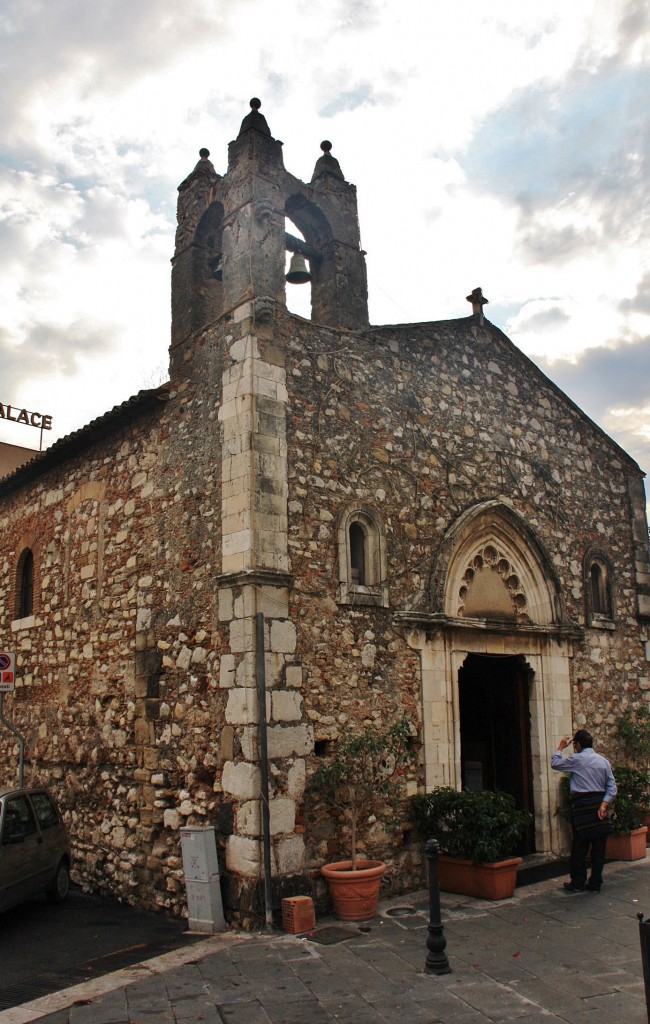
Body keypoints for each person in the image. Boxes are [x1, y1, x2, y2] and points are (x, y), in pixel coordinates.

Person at [551, 729, 617, 892]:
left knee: (579, 847)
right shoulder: (603, 761)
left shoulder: (576, 759)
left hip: (582, 806)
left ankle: (578, 882)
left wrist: (560, 747)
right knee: (599, 849)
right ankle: (595, 883)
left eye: (574, 745)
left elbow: (555, 763)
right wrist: (604, 805)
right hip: (599, 807)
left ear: (578, 745)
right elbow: (612, 787)